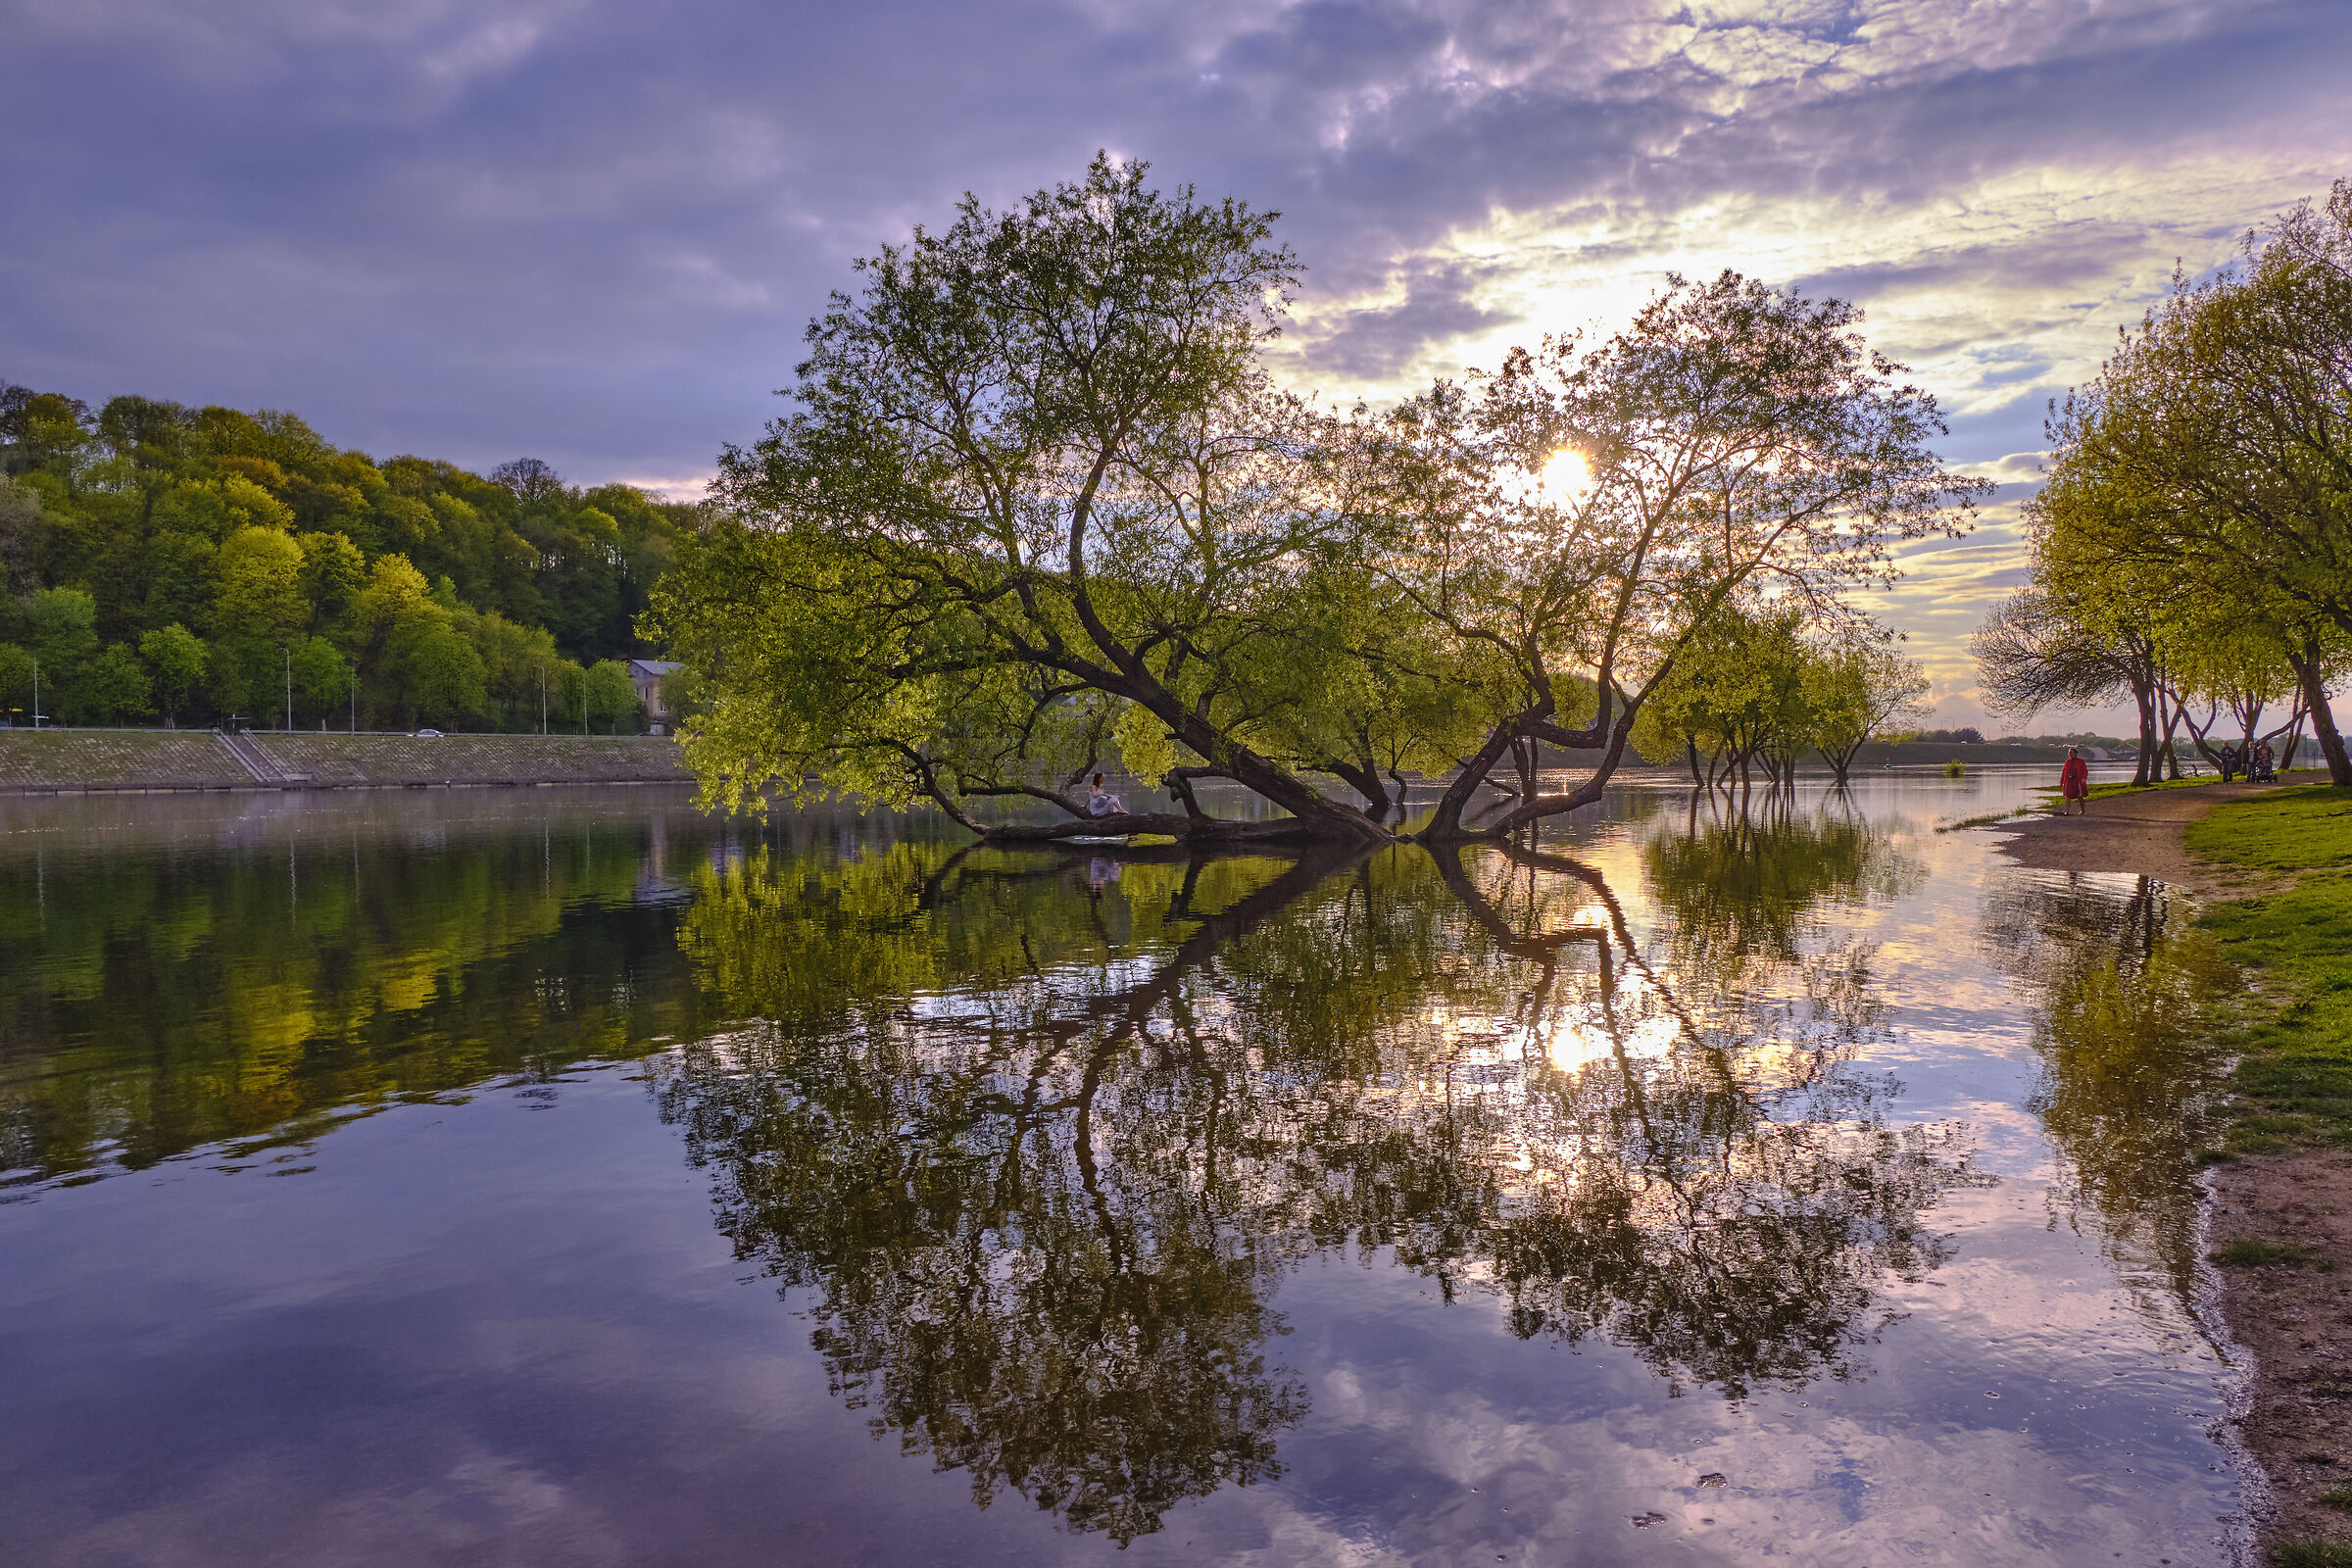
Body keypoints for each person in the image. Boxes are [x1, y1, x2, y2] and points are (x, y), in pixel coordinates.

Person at [2058, 746, 2089, 814]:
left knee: (2080, 796)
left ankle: (2083, 810)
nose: (2069, 754)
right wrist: (2062, 781)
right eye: (2069, 753)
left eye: (2071, 752)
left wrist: (2084, 778)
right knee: (2067, 796)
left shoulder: (2081, 761)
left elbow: (2085, 770)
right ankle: (2067, 811)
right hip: (2069, 781)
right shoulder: (2067, 761)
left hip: (2078, 781)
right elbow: (2064, 772)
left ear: (2075, 753)